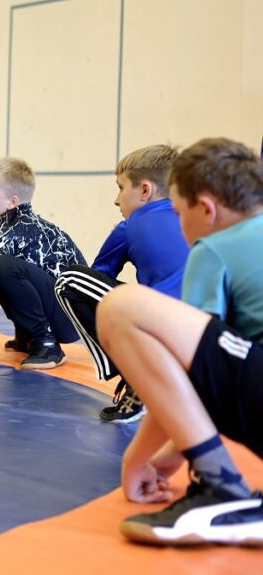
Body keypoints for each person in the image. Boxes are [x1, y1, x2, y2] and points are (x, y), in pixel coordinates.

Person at [96, 137, 263, 546]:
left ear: (204, 209)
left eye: (177, 212)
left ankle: (222, 486)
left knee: (121, 307)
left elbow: (191, 373)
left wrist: (139, 460)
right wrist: (171, 456)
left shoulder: (215, 248)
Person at [54, 145, 189, 423]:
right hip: (209, 332)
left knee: (69, 280)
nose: (116, 201)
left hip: (165, 327)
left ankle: (135, 376)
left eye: (120, 188)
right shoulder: (195, 218)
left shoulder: (128, 227)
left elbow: (92, 282)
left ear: (144, 191)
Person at [0, 157, 86, 369]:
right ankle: (27, 336)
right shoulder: (0, 222)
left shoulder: (18, 228)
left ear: (12, 201)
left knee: (2, 268)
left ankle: (47, 343)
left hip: (72, 319)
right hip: (64, 311)